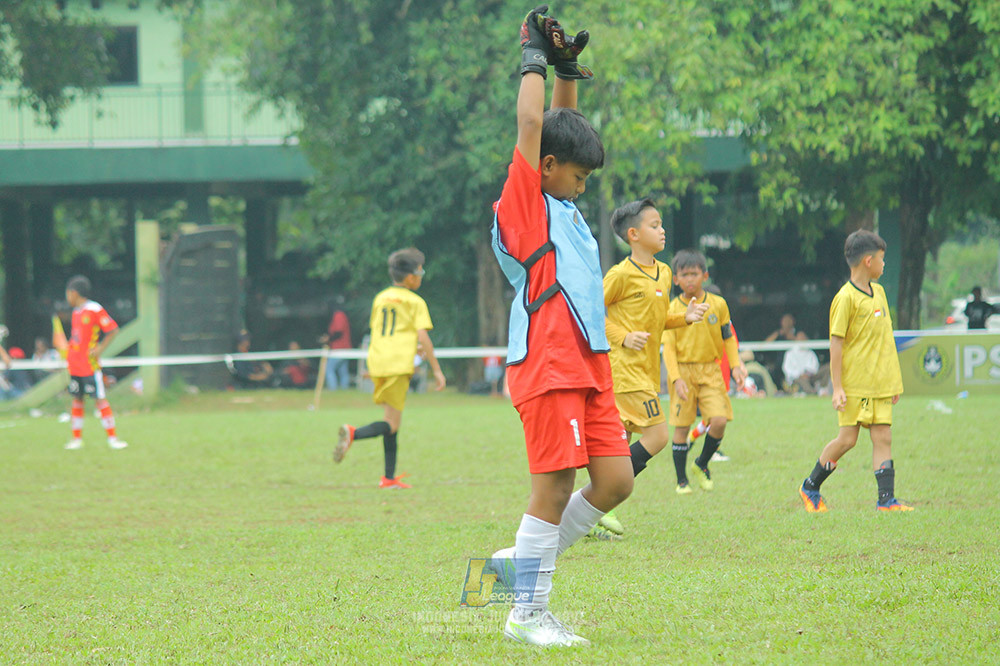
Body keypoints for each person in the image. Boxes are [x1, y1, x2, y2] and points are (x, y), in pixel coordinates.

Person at [485, 8, 633, 647]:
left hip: (589, 361)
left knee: (615, 481)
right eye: (576, 174)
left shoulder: (562, 203)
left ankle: (522, 563)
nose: (582, 184)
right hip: (547, 360)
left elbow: (559, 130)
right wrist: (533, 58)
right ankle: (527, 612)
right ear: (543, 169)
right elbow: (532, 127)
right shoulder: (523, 202)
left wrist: (568, 69)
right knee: (555, 485)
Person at [599, 198, 708, 536]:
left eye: (661, 225)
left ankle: (594, 509)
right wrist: (622, 336)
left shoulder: (662, 272)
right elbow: (588, 313)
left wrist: (683, 318)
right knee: (659, 436)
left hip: (645, 371)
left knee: (619, 447)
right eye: (654, 225)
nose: (662, 231)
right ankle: (594, 500)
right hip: (624, 371)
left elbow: (658, 321)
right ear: (633, 234)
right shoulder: (620, 275)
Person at [798, 230, 912, 512]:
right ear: (868, 261)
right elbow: (836, 343)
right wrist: (837, 388)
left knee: (883, 436)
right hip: (855, 385)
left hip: (881, 384)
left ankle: (886, 500)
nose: (885, 265)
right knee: (847, 440)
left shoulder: (880, 293)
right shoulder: (845, 298)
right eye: (883, 259)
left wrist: (893, 382)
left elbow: (886, 339)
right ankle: (810, 486)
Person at [333, 247, 446, 488]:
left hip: (378, 360)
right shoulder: (414, 301)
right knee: (392, 424)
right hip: (397, 365)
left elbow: (385, 332)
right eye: (420, 271)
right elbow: (423, 337)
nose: (422, 275)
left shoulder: (381, 298)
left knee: (391, 421)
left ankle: (388, 477)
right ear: (410, 276)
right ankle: (354, 433)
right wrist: (436, 369)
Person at [662, 250, 747, 494]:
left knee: (719, 421)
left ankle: (701, 464)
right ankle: (681, 481)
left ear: (705, 275)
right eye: (684, 275)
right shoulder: (671, 309)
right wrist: (676, 378)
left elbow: (728, 337)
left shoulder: (718, 304)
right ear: (676, 279)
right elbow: (668, 348)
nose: (690, 279)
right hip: (683, 372)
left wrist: (735, 366)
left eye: (695, 274)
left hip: (710, 370)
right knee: (681, 427)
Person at [62, 275, 127, 450]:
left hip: (89, 365)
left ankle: (113, 438)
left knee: (100, 399)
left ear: (74, 293)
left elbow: (112, 330)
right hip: (75, 365)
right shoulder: (77, 312)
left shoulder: (94, 309)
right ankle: (76, 439)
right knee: (77, 400)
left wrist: (100, 349)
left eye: (68, 293)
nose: (67, 298)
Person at [323, 304, 352, 389]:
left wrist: (328, 339)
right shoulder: (341, 315)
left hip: (340, 349)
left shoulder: (339, 315)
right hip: (344, 348)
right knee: (343, 371)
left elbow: (338, 332)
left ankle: (333, 388)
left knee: (329, 369)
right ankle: (344, 389)